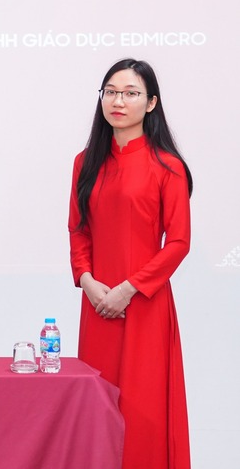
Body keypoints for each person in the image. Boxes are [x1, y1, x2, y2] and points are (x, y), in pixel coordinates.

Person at [68, 59, 192, 469]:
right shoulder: (85, 162)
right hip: (98, 303)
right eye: (111, 92)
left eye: (130, 93)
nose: (118, 101)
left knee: (144, 410)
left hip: (144, 304)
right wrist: (87, 281)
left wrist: (128, 289)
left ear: (151, 102)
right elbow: (78, 230)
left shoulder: (167, 165)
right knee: (98, 403)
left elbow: (178, 243)